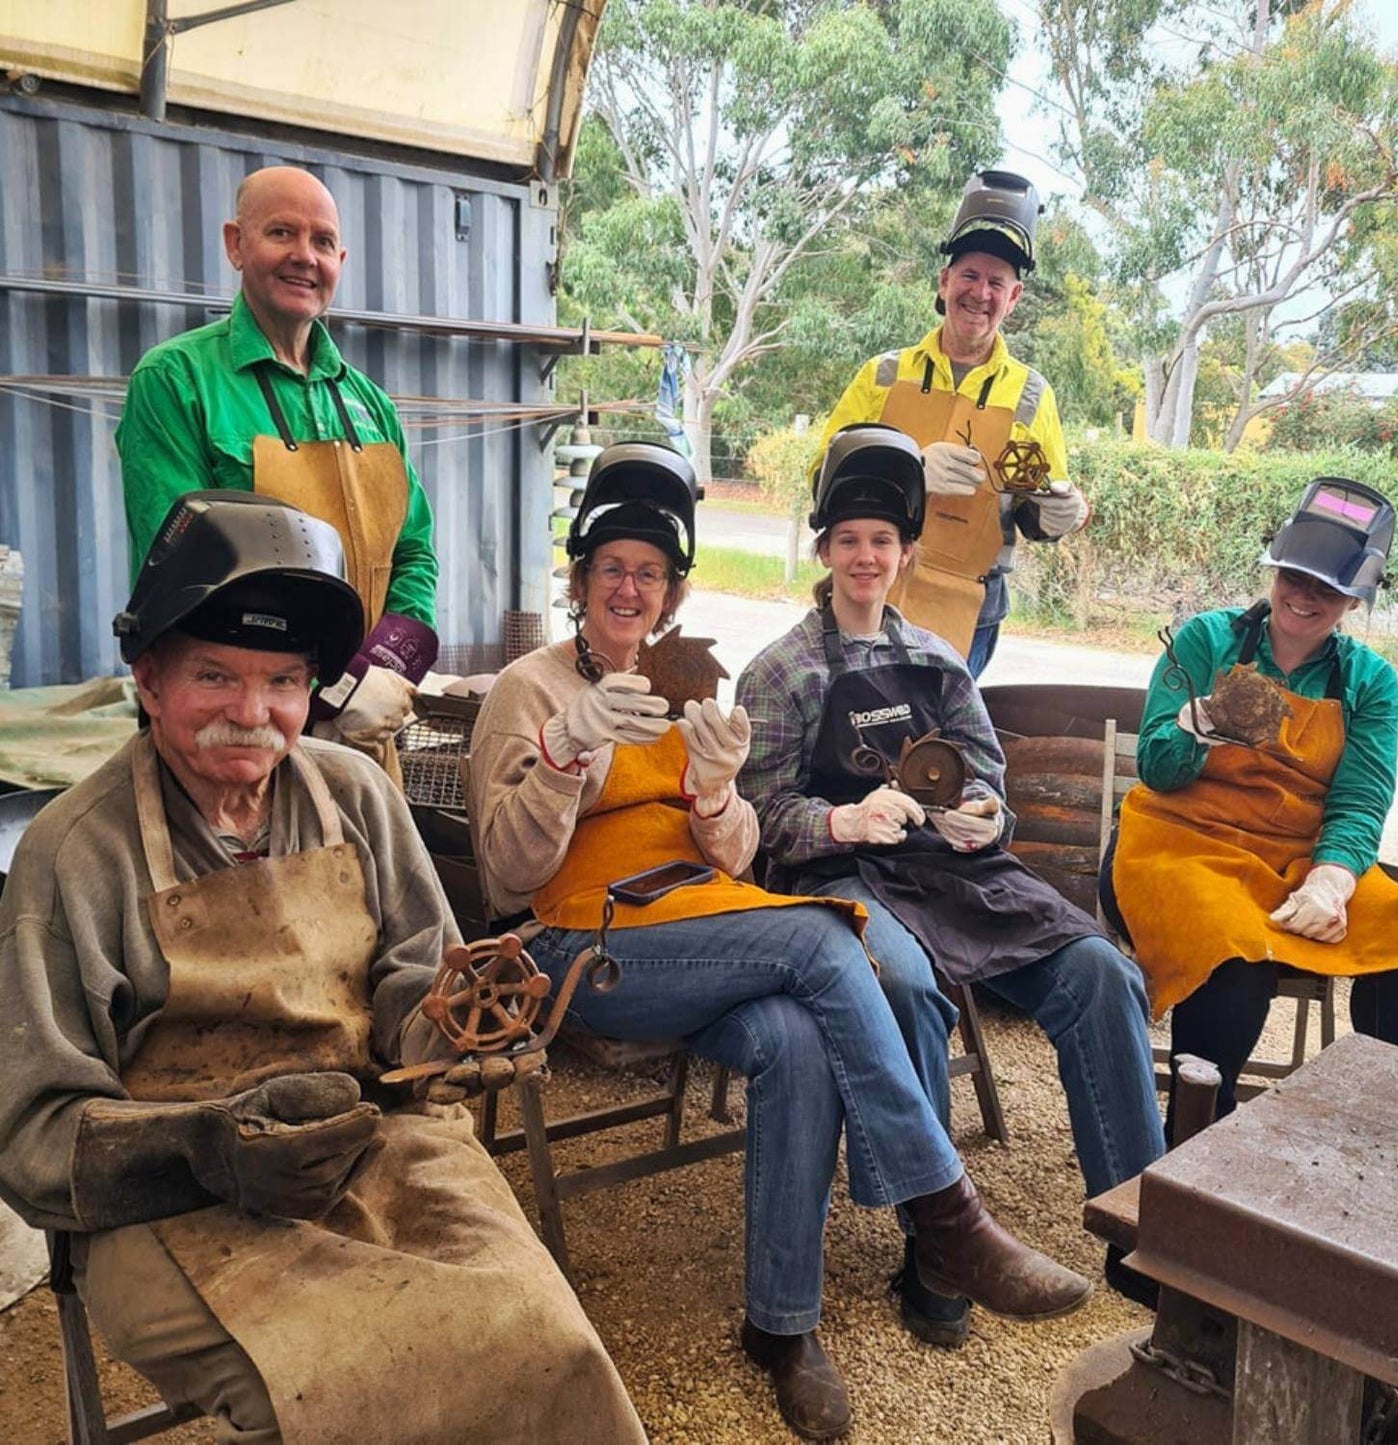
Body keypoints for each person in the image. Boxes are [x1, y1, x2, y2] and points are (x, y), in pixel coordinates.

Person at [468, 440, 1092, 1441]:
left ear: (671, 591)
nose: (629, 587)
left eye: (650, 572)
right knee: (819, 939)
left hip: (698, 925)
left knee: (796, 1038)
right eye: (611, 568)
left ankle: (781, 1323)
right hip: (576, 948)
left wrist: (715, 794)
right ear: (580, 579)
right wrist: (561, 753)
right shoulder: (528, 689)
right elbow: (505, 875)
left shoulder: (685, 685)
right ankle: (946, 1214)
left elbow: (739, 852)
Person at [0, 491, 645, 1445]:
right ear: (147, 678)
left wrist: (458, 1033)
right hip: (171, 1199)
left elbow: (415, 990)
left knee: (548, 1342)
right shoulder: (73, 853)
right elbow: (34, 1133)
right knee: (346, 1390)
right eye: (213, 675)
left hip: (373, 1134)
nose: (251, 714)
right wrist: (201, 1147)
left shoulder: (355, 792)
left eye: (284, 682)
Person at [736, 426, 1164, 1334]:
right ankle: (935, 1241)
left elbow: (986, 782)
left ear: (905, 555)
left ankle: (1140, 1227)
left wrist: (982, 816)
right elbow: (759, 819)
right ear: (823, 551)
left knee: (1101, 972)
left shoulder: (937, 659)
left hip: (950, 870)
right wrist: (843, 819)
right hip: (839, 874)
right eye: (847, 539)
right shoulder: (779, 670)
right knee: (904, 985)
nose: (865, 556)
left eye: (881, 541)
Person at [1105, 476, 1398, 1123]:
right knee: (1233, 957)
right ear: (1276, 565)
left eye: (1326, 586)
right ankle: (1194, 1145)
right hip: (1180, 844)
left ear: (1354, 598)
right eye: (1294, 573)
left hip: (1296, 856)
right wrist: (1198, 721)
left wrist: (1331, 879)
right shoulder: (1204, 641)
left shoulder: (1369, 682)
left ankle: (1375, 1138)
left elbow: (1360, 798)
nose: (1302, 595)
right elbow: (1154, 766)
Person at [116, 164, 438, 768]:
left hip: (363, 730)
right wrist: (321, 689)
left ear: (340, 258)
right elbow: (181, 571)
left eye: (321, 242)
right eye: (281, 233)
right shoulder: (176, 380)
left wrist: (386, 671)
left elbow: (414, 550)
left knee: (360, 863)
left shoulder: (371, 405)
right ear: (236, 244)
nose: (304, 257)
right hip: (234, 728)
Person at [812, 169, 1089, 676]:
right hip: (867, 587)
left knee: (937, 749)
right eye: (969, 276)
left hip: (970, 608)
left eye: (996, 282)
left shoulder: (1031, 396)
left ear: (1014, 297)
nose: (980, 293)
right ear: (944, 282)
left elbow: (1031, 504)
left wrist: (1055, 518)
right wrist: (908, 467)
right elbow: (821, 479)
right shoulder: (883, 375)